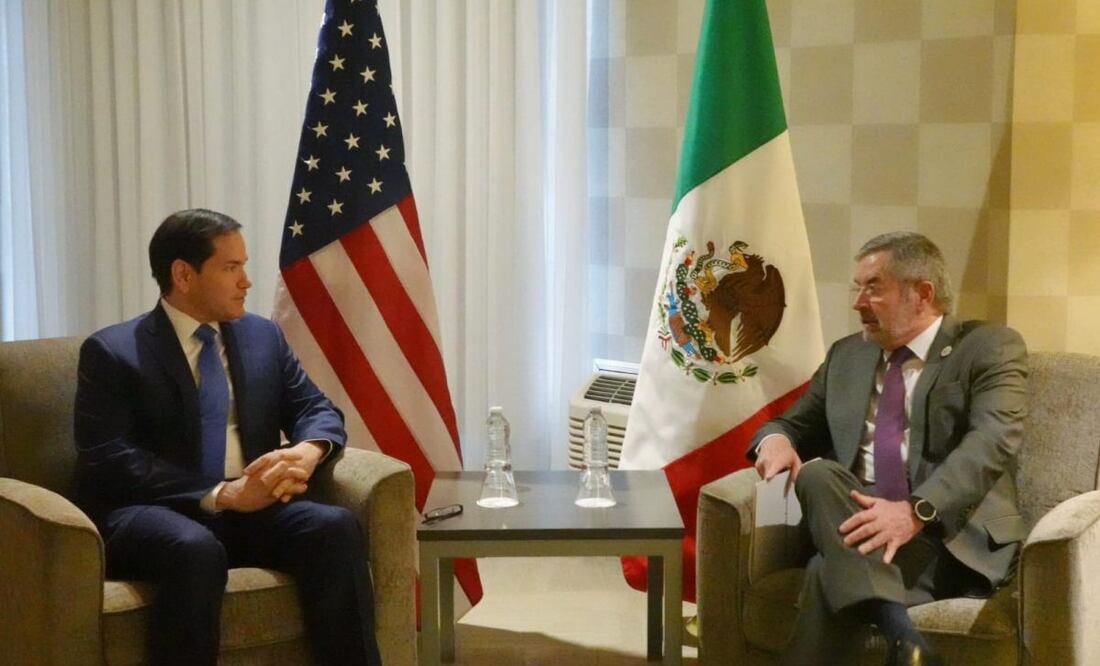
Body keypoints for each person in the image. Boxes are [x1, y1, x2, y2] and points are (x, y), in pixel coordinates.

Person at [74, 209, 382, 666]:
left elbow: (316, 409)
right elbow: (109, 458)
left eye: (245, 265)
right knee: (194, 549)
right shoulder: (113, 351)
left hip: (252, 509)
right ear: (183, 274)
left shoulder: (262, 337)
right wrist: (222, 494)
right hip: (154, 512)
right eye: (231, 268)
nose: (247, 282)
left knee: (333, 528)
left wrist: (306, 451)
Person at [750, 232, 1027, 666]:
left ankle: (900, 631)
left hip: (947, 536)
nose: (858, 302)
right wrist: (777, 441)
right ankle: (905, 639)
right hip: (859, 522)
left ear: (922, 293)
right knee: (818, 474)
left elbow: (992, 442)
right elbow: (788, 423)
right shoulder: (846, 356)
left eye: (873, 287)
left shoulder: (987, 347)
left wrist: (914, 511)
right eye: (856, 288)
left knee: (826, 573)